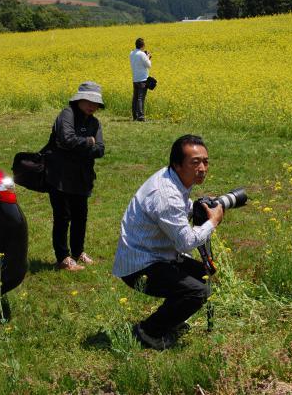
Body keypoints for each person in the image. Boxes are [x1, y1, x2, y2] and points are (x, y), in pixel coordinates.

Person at [112, 135, 224, 350]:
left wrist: (196, 208)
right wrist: (213, 221)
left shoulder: (174, 179)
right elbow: (186, 243)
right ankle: (149, 331)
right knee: (196, 291)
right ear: (177, 164)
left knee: (204, 276)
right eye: (195, 162)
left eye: (205, 161)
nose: (202, 168)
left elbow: (179, 209)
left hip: (157, 255)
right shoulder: (166, 194)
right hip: (139, 266)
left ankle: (170, 320)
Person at [44, 81, 105, 271]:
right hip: (59, 175)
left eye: (95, 103)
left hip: (82, 176)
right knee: (62, 217)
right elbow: (65, 139)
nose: (91, 106)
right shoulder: (67, 114)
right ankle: (63, 258)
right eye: (88, 101)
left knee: (81, 216)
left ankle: (78, 252)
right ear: (79, 99)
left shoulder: (94, 122)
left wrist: (79, 146)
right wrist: (88, 142)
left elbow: (100, 150)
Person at [129, 37, 152, 122]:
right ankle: (141, 117)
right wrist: (148, 57)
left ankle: (135, 116)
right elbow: (148, 65)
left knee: (135, 98)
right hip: (142, 79)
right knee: (141, 98)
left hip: (135, 79)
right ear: (143, 46)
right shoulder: (142, 54)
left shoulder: (131, 53)